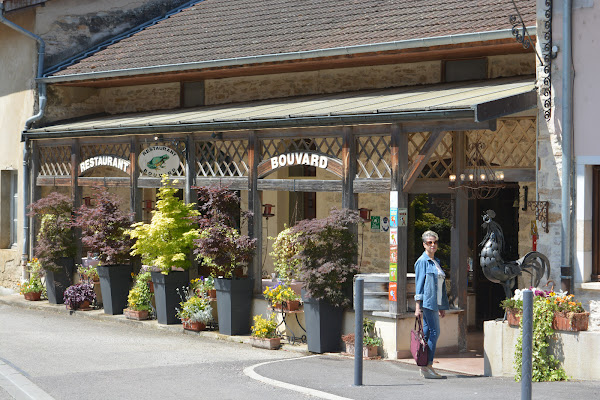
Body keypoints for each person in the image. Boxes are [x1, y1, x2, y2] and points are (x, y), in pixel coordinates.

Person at [414, 230, 450, 379]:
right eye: (429, 242)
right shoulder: (422, 262)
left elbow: (440, 286)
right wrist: (417, 307)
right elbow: (419, 285)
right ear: (424, 244)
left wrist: (441, 306)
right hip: (427, 303)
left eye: (435, 242)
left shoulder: (436, 262)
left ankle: (425, 367)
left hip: (435, 303)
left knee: (428, 334)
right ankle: (428, 365)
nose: (433, 245)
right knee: (435, 332)